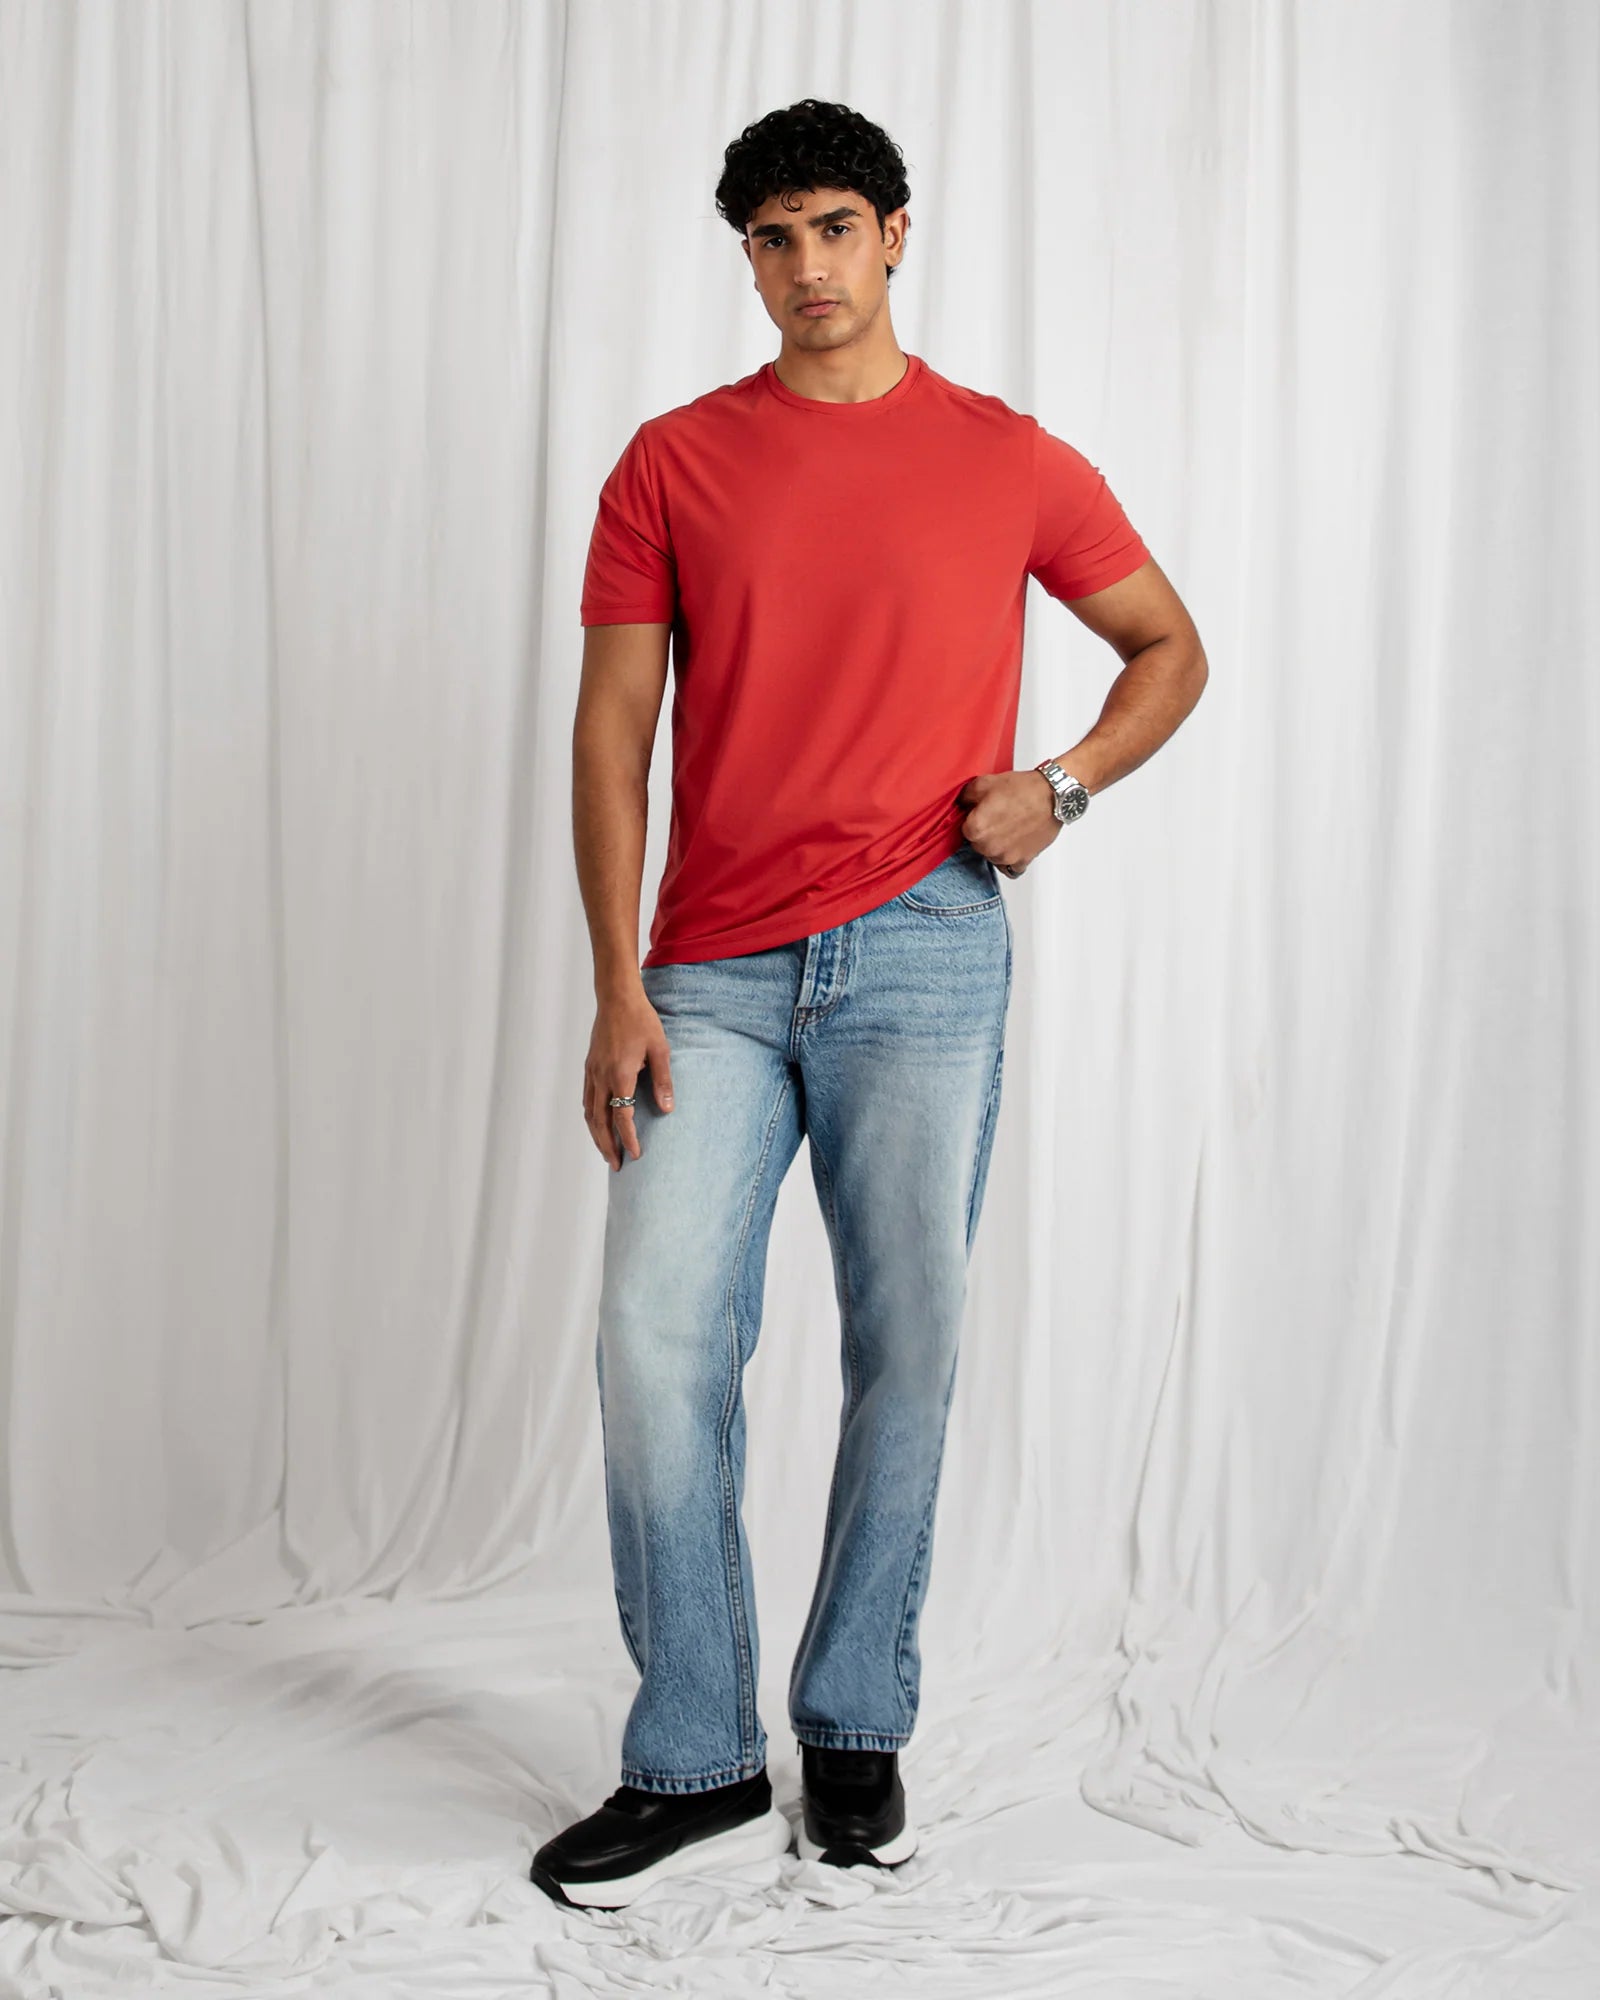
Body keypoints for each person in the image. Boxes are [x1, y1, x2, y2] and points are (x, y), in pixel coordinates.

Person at [531, 97, 1207, 1912]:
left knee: (908, 1338)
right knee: (656, 1341)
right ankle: (692, 1753)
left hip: (926, 946)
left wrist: (1058, 787)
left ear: (894, 234)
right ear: (745, 258)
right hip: (710, 973)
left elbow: (1170, 648)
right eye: (772, 238)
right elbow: (612, 733)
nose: (806, 265)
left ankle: (853, 1726)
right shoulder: (672, 463)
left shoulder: (1010, 459)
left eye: (833, 226)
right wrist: (615, 982)